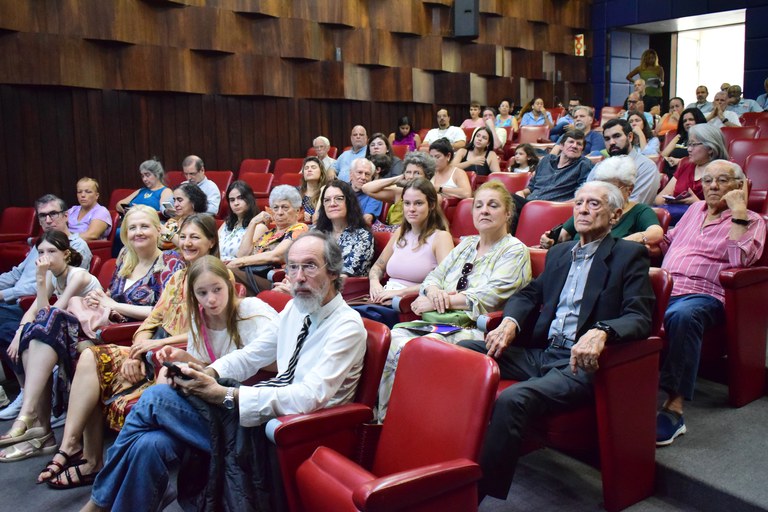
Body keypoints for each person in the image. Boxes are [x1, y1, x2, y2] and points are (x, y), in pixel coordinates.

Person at [80, 232, 366, 512]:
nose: (299, 276)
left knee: (155, 399)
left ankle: (97, 503)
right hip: (261, 414)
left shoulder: (347, 326)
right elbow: (251, 355)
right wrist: (207, 374)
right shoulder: (296, 309)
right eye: (293, 267)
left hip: (291, 430)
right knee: (149, 444)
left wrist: (227, 395)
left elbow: (309, 398)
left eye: (310, 266)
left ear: (332, 272)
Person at [461, 181, 654, 502]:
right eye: (579, 203)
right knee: (463, 354)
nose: (583, 209)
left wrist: (602, 330)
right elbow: (528, 294)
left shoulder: (628, 255)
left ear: (616, 215)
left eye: (594, 204)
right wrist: (510, 321)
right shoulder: (560, 253)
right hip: (542, 353)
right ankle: (452, 459)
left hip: (580, 365)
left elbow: (640, 317)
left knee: (512, 399)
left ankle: (476, 496)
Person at [32, 206, 183, 483]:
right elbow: (110, 299)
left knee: (80, 350)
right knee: (58, 335)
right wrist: (101, 304)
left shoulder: (171, 262)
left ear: (158, 230)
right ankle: (68, 445)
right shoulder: (125, 258)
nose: (138, 232)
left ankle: (68, 444)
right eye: (132, 228)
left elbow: (164, 312)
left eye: (144, 226)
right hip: (111, 328)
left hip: (143, 336)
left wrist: (115, 306)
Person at [374, 181, 532, 421]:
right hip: (442, 322)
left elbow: (490, 295)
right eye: (478, 205)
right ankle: (385, 419)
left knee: (422, 348)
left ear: (508, 213)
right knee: (391, 340)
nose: (484, 211)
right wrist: (434, 290)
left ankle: (415, 421)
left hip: (476, 329)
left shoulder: (515, 250)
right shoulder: (467, 244)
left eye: (493, 205)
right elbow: (433, 276)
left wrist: (440, 300)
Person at [656, 160, 765, 446]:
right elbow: (669, 242)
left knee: (682, 315)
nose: (713, 186)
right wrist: (644, 241)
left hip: (705, 296)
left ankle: (674, 408)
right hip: (665, 288)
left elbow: (739, 261)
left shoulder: (754, 220)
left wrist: (739, 211)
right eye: (707, 181)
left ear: (739, 186)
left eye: (722, 180)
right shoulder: (693, 210)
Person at [0, 231, 101, 461]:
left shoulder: (79, 275)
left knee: (41, 330)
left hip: (93, 334)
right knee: (27, 339)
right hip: (67, 333)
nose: (45, 256)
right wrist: (19, 334)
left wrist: (40, 277)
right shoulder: (53, 277)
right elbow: (35, 312)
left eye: (51, 251)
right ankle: (41, 430)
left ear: (66, 254)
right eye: (41, 252)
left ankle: (27, 415)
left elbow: (55, 312)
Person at [0, 195, 92, 422]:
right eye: (43, 215)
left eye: (54, 214)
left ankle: (31, 392)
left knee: (13, 330)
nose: (49, 219)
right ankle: (26, 392)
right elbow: (16, 274)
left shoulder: (74, 247)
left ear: (65, 216)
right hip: (30, 304)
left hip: (52, 308)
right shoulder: (41, 245)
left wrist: (5, 294)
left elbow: (48, 292)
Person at [541, 156, 663, 249]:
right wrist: (549, 241)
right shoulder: (588, 209)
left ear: (629, 190)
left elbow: (656, 233)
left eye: (612, 188)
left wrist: (621, 244)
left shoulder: (640, 211)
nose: (606, 193)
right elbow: (563, 237)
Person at [367, 178, 454, 305]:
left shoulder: (441, 237)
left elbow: (445, 281)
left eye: (418, 203)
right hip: (382, 299)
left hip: (407, 305)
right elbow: (378, 267)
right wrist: (374, 283)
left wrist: (399, 293)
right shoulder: (400, 232)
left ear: (431, 205)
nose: (411, 209)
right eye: (407, 203)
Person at [227, 185, 307, 295]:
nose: (279, 212)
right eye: (275, 208)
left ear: (297, 211)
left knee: (226, 273)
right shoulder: (268, 233)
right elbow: (242, 254)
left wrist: (239, 262)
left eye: (285, 207)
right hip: (251, 274)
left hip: (274, 281)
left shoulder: (299, 228)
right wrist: (253, 223)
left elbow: (276, 256)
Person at [512, 129, 592, 234]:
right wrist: (522, 192)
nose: (574, 146)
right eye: (571, 142)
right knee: (504, 197)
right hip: (529, 204)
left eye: (579, 144)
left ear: (582, 150)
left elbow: (583, 194)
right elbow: (531, 186)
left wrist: (562, 206)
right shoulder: (546, 160)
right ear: (562, 146)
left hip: (554, 207)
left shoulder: (584, 165)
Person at [655, 124, 728, 223]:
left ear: (710, 148)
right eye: (688, 144)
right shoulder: (685, 166)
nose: (689, 149)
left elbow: (728, 212)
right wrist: (671, 200)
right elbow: (658, 199)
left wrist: (696, 203)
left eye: (694, 144)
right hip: (675, 220)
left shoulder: (726, 171)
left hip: (703, 224)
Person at [592, 118, 660, 205]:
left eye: (617, 136)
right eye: (607, 139)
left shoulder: (646, 167)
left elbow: (634, 205)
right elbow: (586, 196)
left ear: (630, 137)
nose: (612, 142)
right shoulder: (600, 166)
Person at [314, 180, 374, 277]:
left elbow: (344, 275)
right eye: (327, 200)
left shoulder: (363, 236)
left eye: (339, 198)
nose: (332, 204)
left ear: (349, 202)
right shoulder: (315, 233)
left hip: (343, 289)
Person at [362, 152, 437, 231]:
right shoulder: (399, 192)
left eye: (417, 173)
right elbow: (366, 188)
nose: (411, 177)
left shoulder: (433, 196)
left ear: (427, 176)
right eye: (408, 172)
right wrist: (397, 179)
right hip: (393, 234)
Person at [660, 107, 707, 177]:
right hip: (671, 170)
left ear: (699, 120)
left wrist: (680, 161)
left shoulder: (705, 137)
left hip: (690, 172)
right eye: (684, 121)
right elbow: (663, 155)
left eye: (691, 119)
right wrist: (669, 159)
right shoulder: (679, 136)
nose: (687, 123)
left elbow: (704, 159)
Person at [159, 183, 209, 248]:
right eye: (174, 200)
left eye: (180, 200)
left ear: (193, 202)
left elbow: (189, 246)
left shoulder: (201, 223)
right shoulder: (173, 221)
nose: (175, 205)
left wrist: (167, 233)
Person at [218, 181, 258, 262]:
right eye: (232, 200)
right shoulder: (227, 223)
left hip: (235, 270)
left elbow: (242, 256)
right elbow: (212, 247)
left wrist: (252, 223)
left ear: (249, 199)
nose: (236, 203)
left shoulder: (258, 226)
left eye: (240, 198)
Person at [347, 158, 383, 225]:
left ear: (371, 177)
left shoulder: (375, 195)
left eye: (367, 174)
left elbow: (366, 220)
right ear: (351, 174)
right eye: (359, 172)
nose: (363, 177)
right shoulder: (340, 190)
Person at [298, 156, 328, 223]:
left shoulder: (327, 192)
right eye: (306, 168)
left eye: (313, 167)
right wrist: (301, 215)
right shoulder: (295, 192)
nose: (309, 170)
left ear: (321, 172)